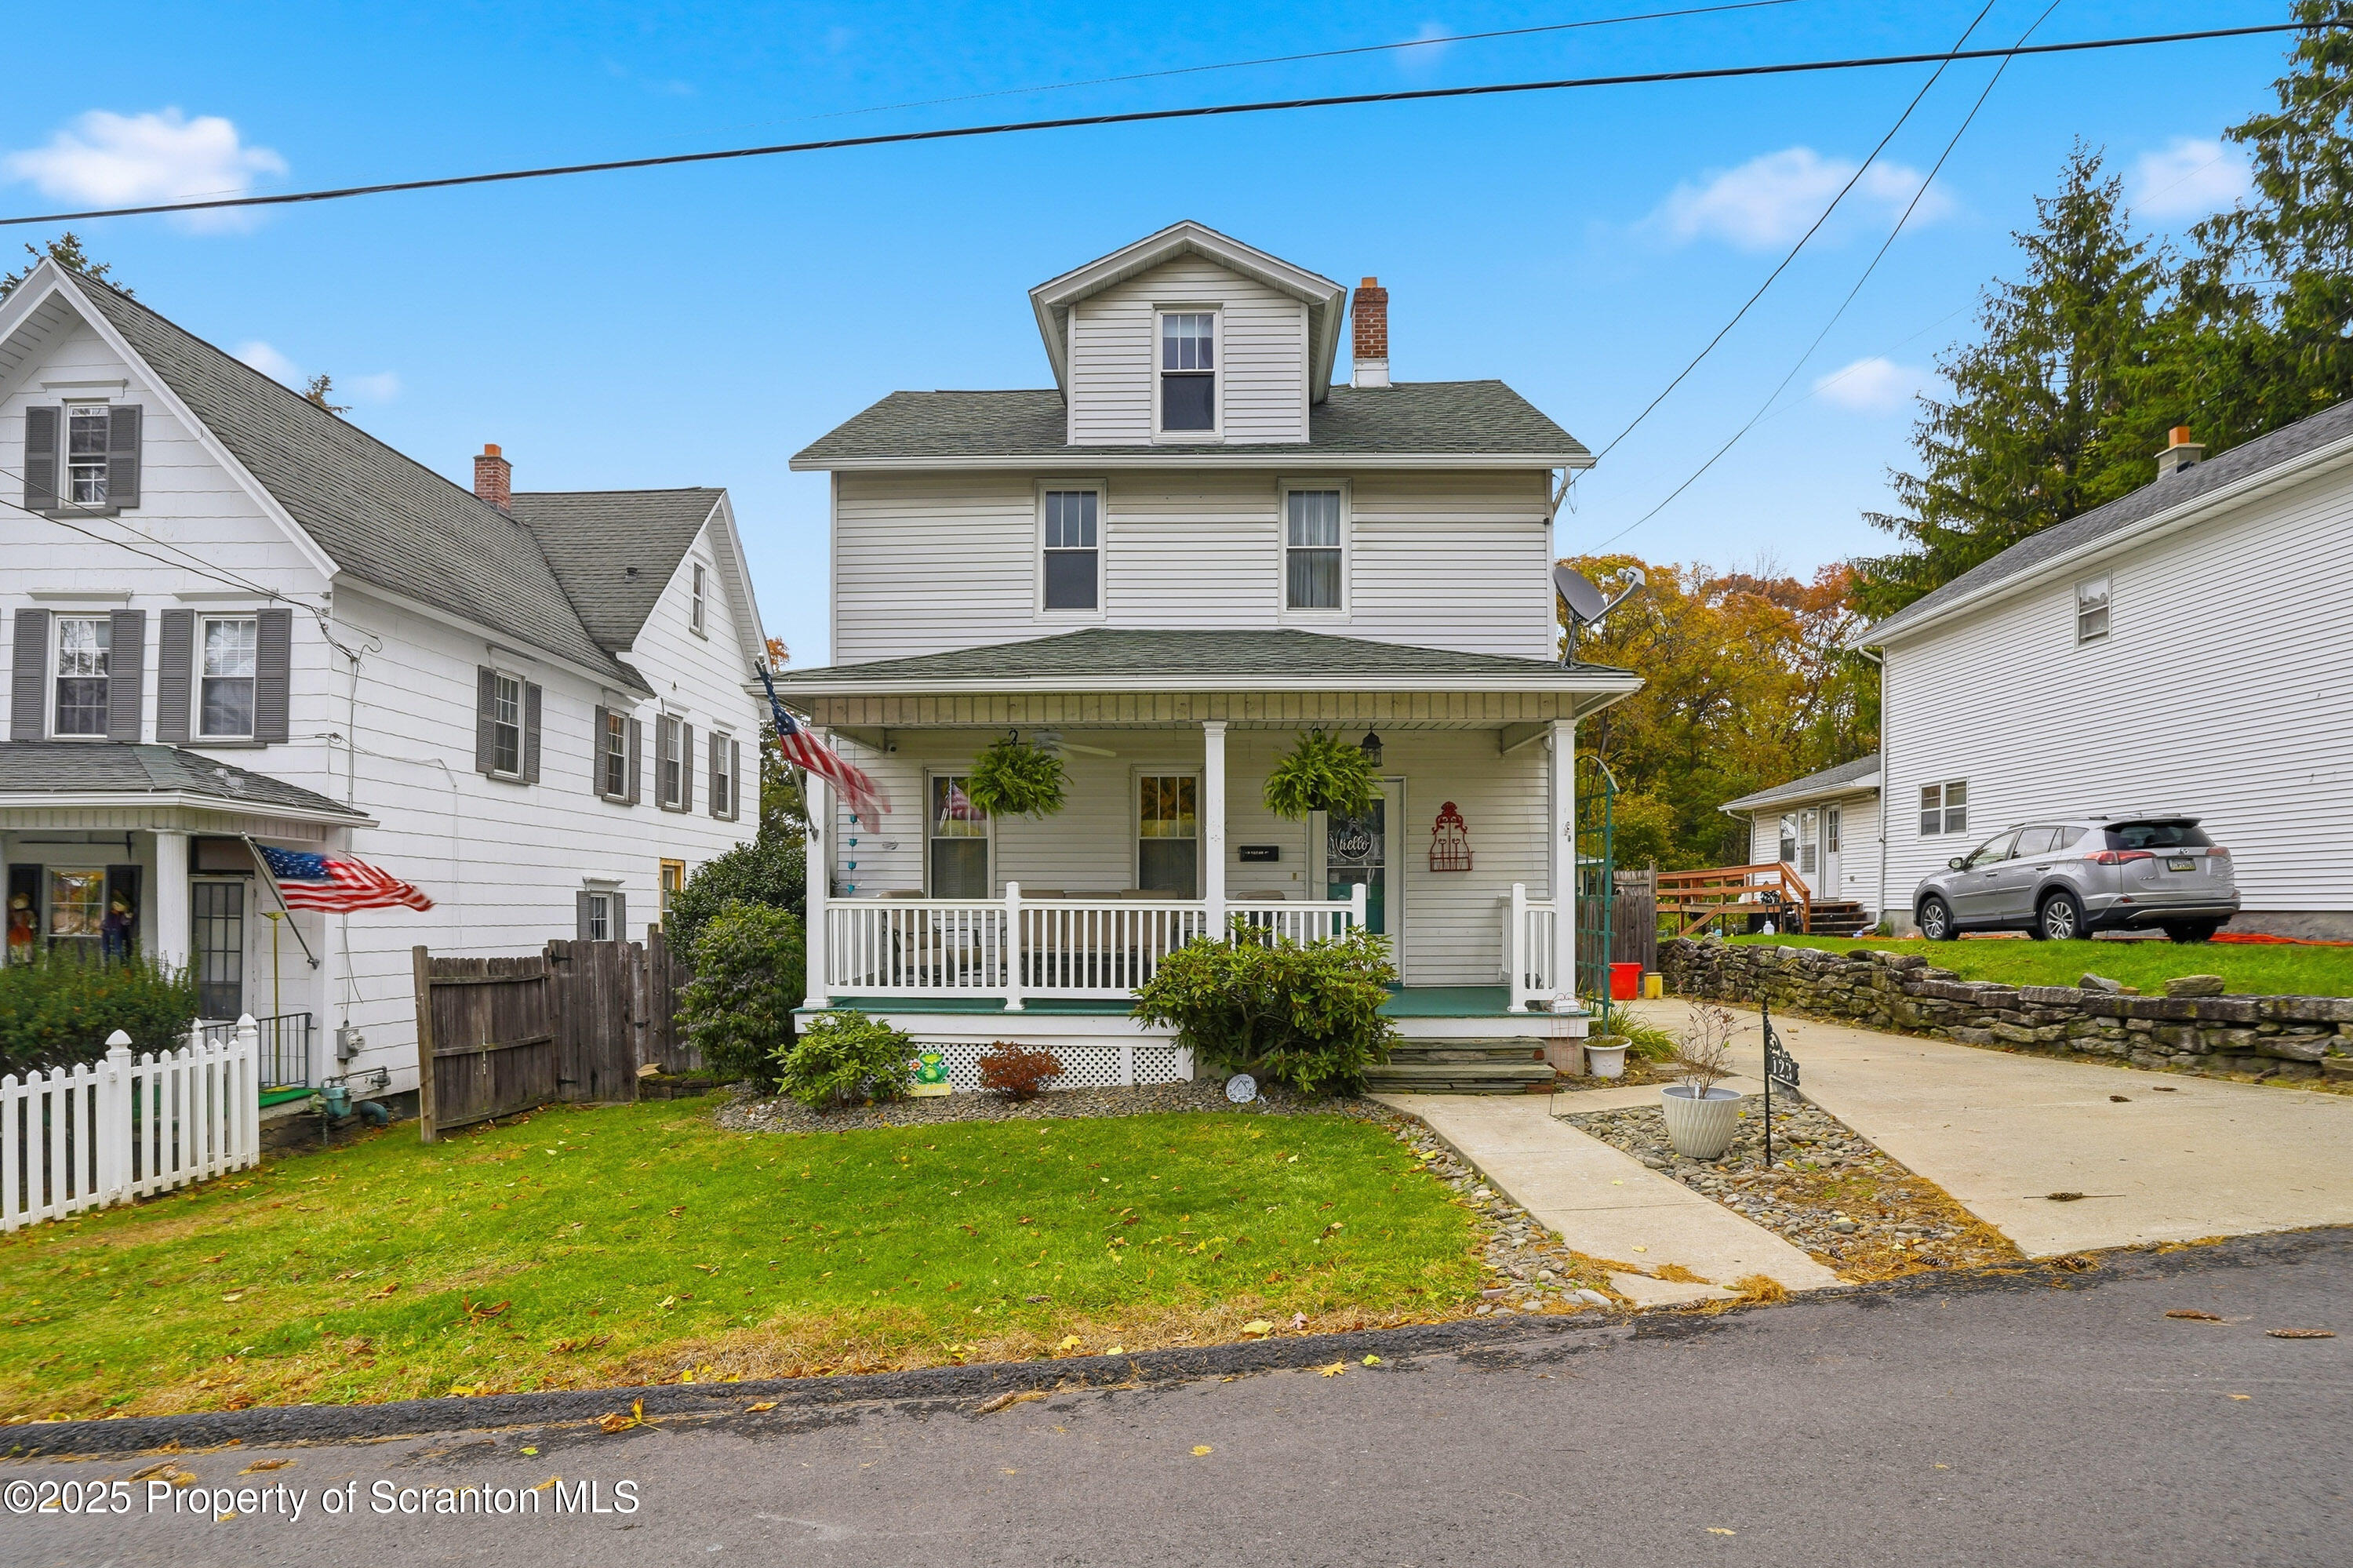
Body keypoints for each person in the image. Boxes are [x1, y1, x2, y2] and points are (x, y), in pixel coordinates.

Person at [102, 896, 136, 962]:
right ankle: (110, 962)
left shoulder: (120, 916)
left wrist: (127, 915)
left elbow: (126, 922)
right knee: (107, 949)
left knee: (118, 949)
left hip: (115, 932)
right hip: (109, 931)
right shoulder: (110, 914)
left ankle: (119, 963)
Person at [5, 893, 33, 965]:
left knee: (25, 958)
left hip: (24, 939)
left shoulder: (28, 915)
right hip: (17, 940)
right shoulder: (12, 918)